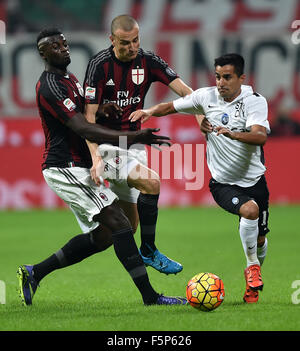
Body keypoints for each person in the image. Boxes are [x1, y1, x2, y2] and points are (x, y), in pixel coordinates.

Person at [17, 28, 187, 307]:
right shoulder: (49, 86)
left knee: (107, 235)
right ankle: (151, 297)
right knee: (121, 224)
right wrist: (134, 137)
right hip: (65, 167)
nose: (64, 49)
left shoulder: (69, 79)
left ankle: (35, 272)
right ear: (42, 53)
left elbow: (87, 113)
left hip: (79, 164)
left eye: (64, 43)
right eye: (55, 46)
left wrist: (105, 108)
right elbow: (83, 127)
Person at [129, 53, 270, 304]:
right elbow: (171, 106)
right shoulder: (206, 97)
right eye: (217, 76)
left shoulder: (255, 102)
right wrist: (149, 111)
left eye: (227, 77)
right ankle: (252, 268)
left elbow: (260, 136)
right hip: (223, 183)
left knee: (260, 238)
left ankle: (253, 278)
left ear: (241, 78)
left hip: (256, 182)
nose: (220, 82)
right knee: (250, 211)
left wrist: (233, 134)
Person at [83, 14, 201, 275]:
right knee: (152, 183)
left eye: (136, 40)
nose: (132, 47)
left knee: (126, 228)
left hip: (133, 145)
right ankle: (149, 251)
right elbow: (88, 116)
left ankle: (42, 269)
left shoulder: (148, 61)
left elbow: (186, 92)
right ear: (112, 40)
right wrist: (95, 156)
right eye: (125, 42)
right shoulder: (99, 65)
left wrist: (201, 113)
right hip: (107, 145)